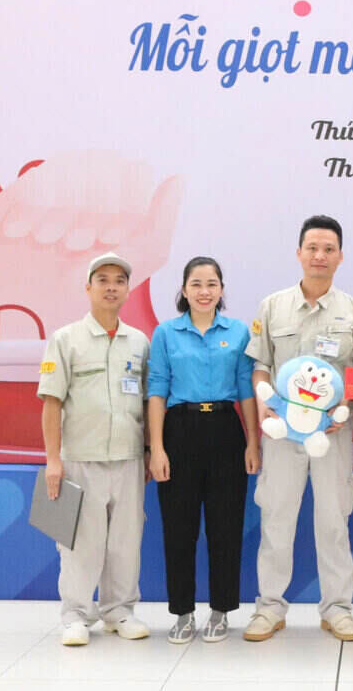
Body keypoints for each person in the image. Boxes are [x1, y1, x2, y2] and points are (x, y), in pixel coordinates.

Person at [244, 215, 353, 643]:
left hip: (331, 438)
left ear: (340, 256)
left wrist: (345, 406)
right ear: (299, 252)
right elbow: (260, 368)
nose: (320, 256)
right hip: (281, 435)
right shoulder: (272, 307)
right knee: (276, 518)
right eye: (312, 248)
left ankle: (337, 608)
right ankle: (269, 608)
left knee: (334, 520)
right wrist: (267, 409)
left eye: (328, 249)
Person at [38, 252, 152, 646]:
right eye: (102, 280)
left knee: (125, 541)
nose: (111, 287)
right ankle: (74, 615)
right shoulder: (65, 339)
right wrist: (53, 460)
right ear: (87, 287)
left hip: (129, 458)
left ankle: (119, 610)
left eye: (119, 280)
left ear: (127, 289)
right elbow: (51, 403)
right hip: (79, 460)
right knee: (80, 542)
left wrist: (151, 452)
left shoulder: (139, 342)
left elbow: (149, 403)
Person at [146, 256, 260, 644]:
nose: (204, 291)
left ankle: (221, 610)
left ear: (222, 290)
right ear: (183, 290)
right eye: (196, 284)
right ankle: (182, 613)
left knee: (225, 527)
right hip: (180, 431)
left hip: (226, 430)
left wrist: (253, 442)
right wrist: (157, 448)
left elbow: (246, 389)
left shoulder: (239, 331)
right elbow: (157, 390)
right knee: (179, 529)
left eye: (212, 284)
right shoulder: (165, 333)